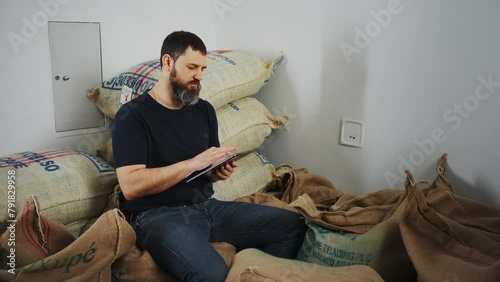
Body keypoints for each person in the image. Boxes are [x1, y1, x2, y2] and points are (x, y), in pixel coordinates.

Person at [112, 30, 306, 282]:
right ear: (168, 62)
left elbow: (204, 168)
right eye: (192, 67)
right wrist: (193, 163)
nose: (199, 76)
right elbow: (131, 186)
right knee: (212, 274)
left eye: (203, 68)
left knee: (292, 225)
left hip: (206, 207)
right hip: (158, 217)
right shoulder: (133, 116)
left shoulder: (203, 110)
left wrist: (216, 172)